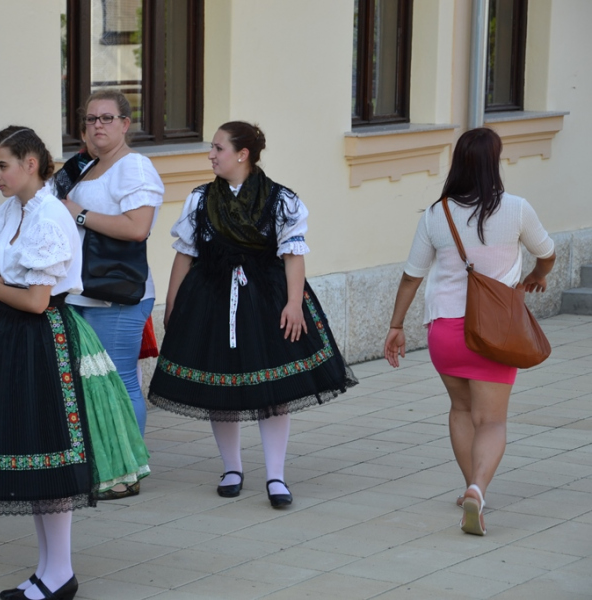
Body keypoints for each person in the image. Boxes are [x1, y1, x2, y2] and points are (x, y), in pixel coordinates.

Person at [0, 126, 149, 600]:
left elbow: (35, 300)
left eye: (2, 164)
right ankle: (50, 570)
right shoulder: (14, 209)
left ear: (31, 164)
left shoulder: (49, 215)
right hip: (13, 336)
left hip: (44, 335)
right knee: (34, 457)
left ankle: (59, 572)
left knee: (49, 453)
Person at [149, 121, 357, 508]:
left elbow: (293, 255)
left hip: (265, 299)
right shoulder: (200, 199)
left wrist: (293, 304)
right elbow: (185, 254)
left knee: (272, 389)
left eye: (219, 148)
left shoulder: (281, 199)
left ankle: (276, 475)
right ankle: (232, 468)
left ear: (242, 154)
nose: (211, 155)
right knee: (219, 384)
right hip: (210, 297)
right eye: (212, 148)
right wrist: (174, 302)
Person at [383, 127, 555, 536]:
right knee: (491, 420)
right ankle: (478, 488)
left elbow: (411, 276)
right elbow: (547, 253)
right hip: (496, 333)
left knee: (461, 410)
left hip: (445, 331)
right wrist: (536, 275)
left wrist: (396, 325)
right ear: (494, 163)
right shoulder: (516, 209)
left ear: (458, 162)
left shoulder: (436, 214)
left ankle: (469, 489)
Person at [61, 90, 164, 447]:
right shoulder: (89, 165)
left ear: (125, 124)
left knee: (118, 380)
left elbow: (137, 227)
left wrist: (79, 214)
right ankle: (106, 460)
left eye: (107, 118)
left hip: (117, 293)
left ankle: (129, 463)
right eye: (91, 119)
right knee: (93, 382)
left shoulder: (134, 166)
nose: (97, 125)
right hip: (85, 290)